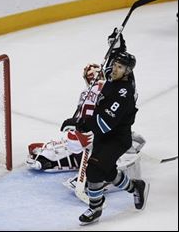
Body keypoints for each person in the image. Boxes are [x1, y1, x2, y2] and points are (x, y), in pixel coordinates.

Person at [60, 44, 150, 225]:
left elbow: (104, 122)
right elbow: (113, 57)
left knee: (93, 170)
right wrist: (117, 42)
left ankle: (95, 208)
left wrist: (80, 123)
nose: (115, 69)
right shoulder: (114, 76)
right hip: (105, 136)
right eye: (115, 65)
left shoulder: (124, 93)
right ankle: (136, 187)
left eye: (120, 67)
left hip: (116, 138)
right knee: (107, 172)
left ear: (127, 72)